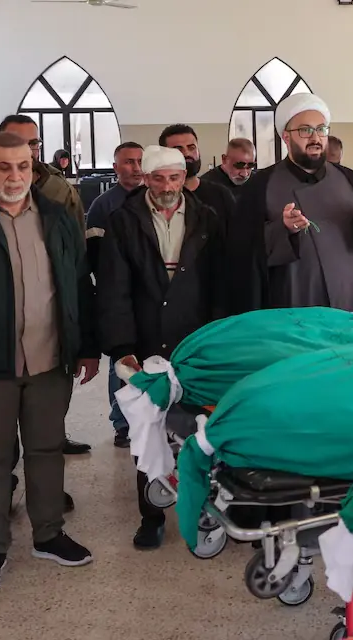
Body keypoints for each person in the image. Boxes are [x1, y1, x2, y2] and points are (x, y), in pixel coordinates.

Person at [0, 133, 99, 592]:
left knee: (47, 450)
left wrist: (86, 346)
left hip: (49, 359)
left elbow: (78, 283)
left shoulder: (56, 219)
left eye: (23, 166)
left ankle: (48, 533)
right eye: (3, 167)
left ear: (34, 167)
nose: (14, 176)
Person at [97, 145, 226, 550]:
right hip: (147, 339)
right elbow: (114, 287)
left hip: (197, 342)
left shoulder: (208, 218)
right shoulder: (124, 221)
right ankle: (151, 516)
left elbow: (221, 285)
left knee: (201, 430)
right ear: (146, 180)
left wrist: (218, 340)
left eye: (174, 178)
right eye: (158, 178)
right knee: (147, 428)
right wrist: (123, 347)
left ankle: (205, 509)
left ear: (183, 177)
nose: (167, 186)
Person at [225, 93, 353, 313]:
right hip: (293, 301)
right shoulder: (260, 186)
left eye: (321, 129)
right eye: (305, 130)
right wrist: (282, 229)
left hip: (351, 297)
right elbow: (243, 251)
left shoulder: (352, 181)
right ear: (286, 137)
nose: (315, 138)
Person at [0, 115, 91, 457]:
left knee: (45, 428)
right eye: (17, 142)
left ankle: (47, 481)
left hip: (46, 335)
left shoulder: (58, 188)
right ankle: (5, 485)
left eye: (32, 144)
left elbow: (76, 261)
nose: (27, 151)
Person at [85, 141, 144, 448]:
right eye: (128, 162)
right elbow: (94, 253)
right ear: (115, 167)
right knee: (120, 360)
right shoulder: (103, 206)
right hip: (118, 294)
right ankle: (121, 423)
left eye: (139, 162)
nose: (134, 168)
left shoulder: (153, 198)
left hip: (149, 295)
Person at [159, 125, 236, 224]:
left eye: (191, 148)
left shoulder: (221, 195)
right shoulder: (153, 197)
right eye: (178, 149)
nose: (187, 153)